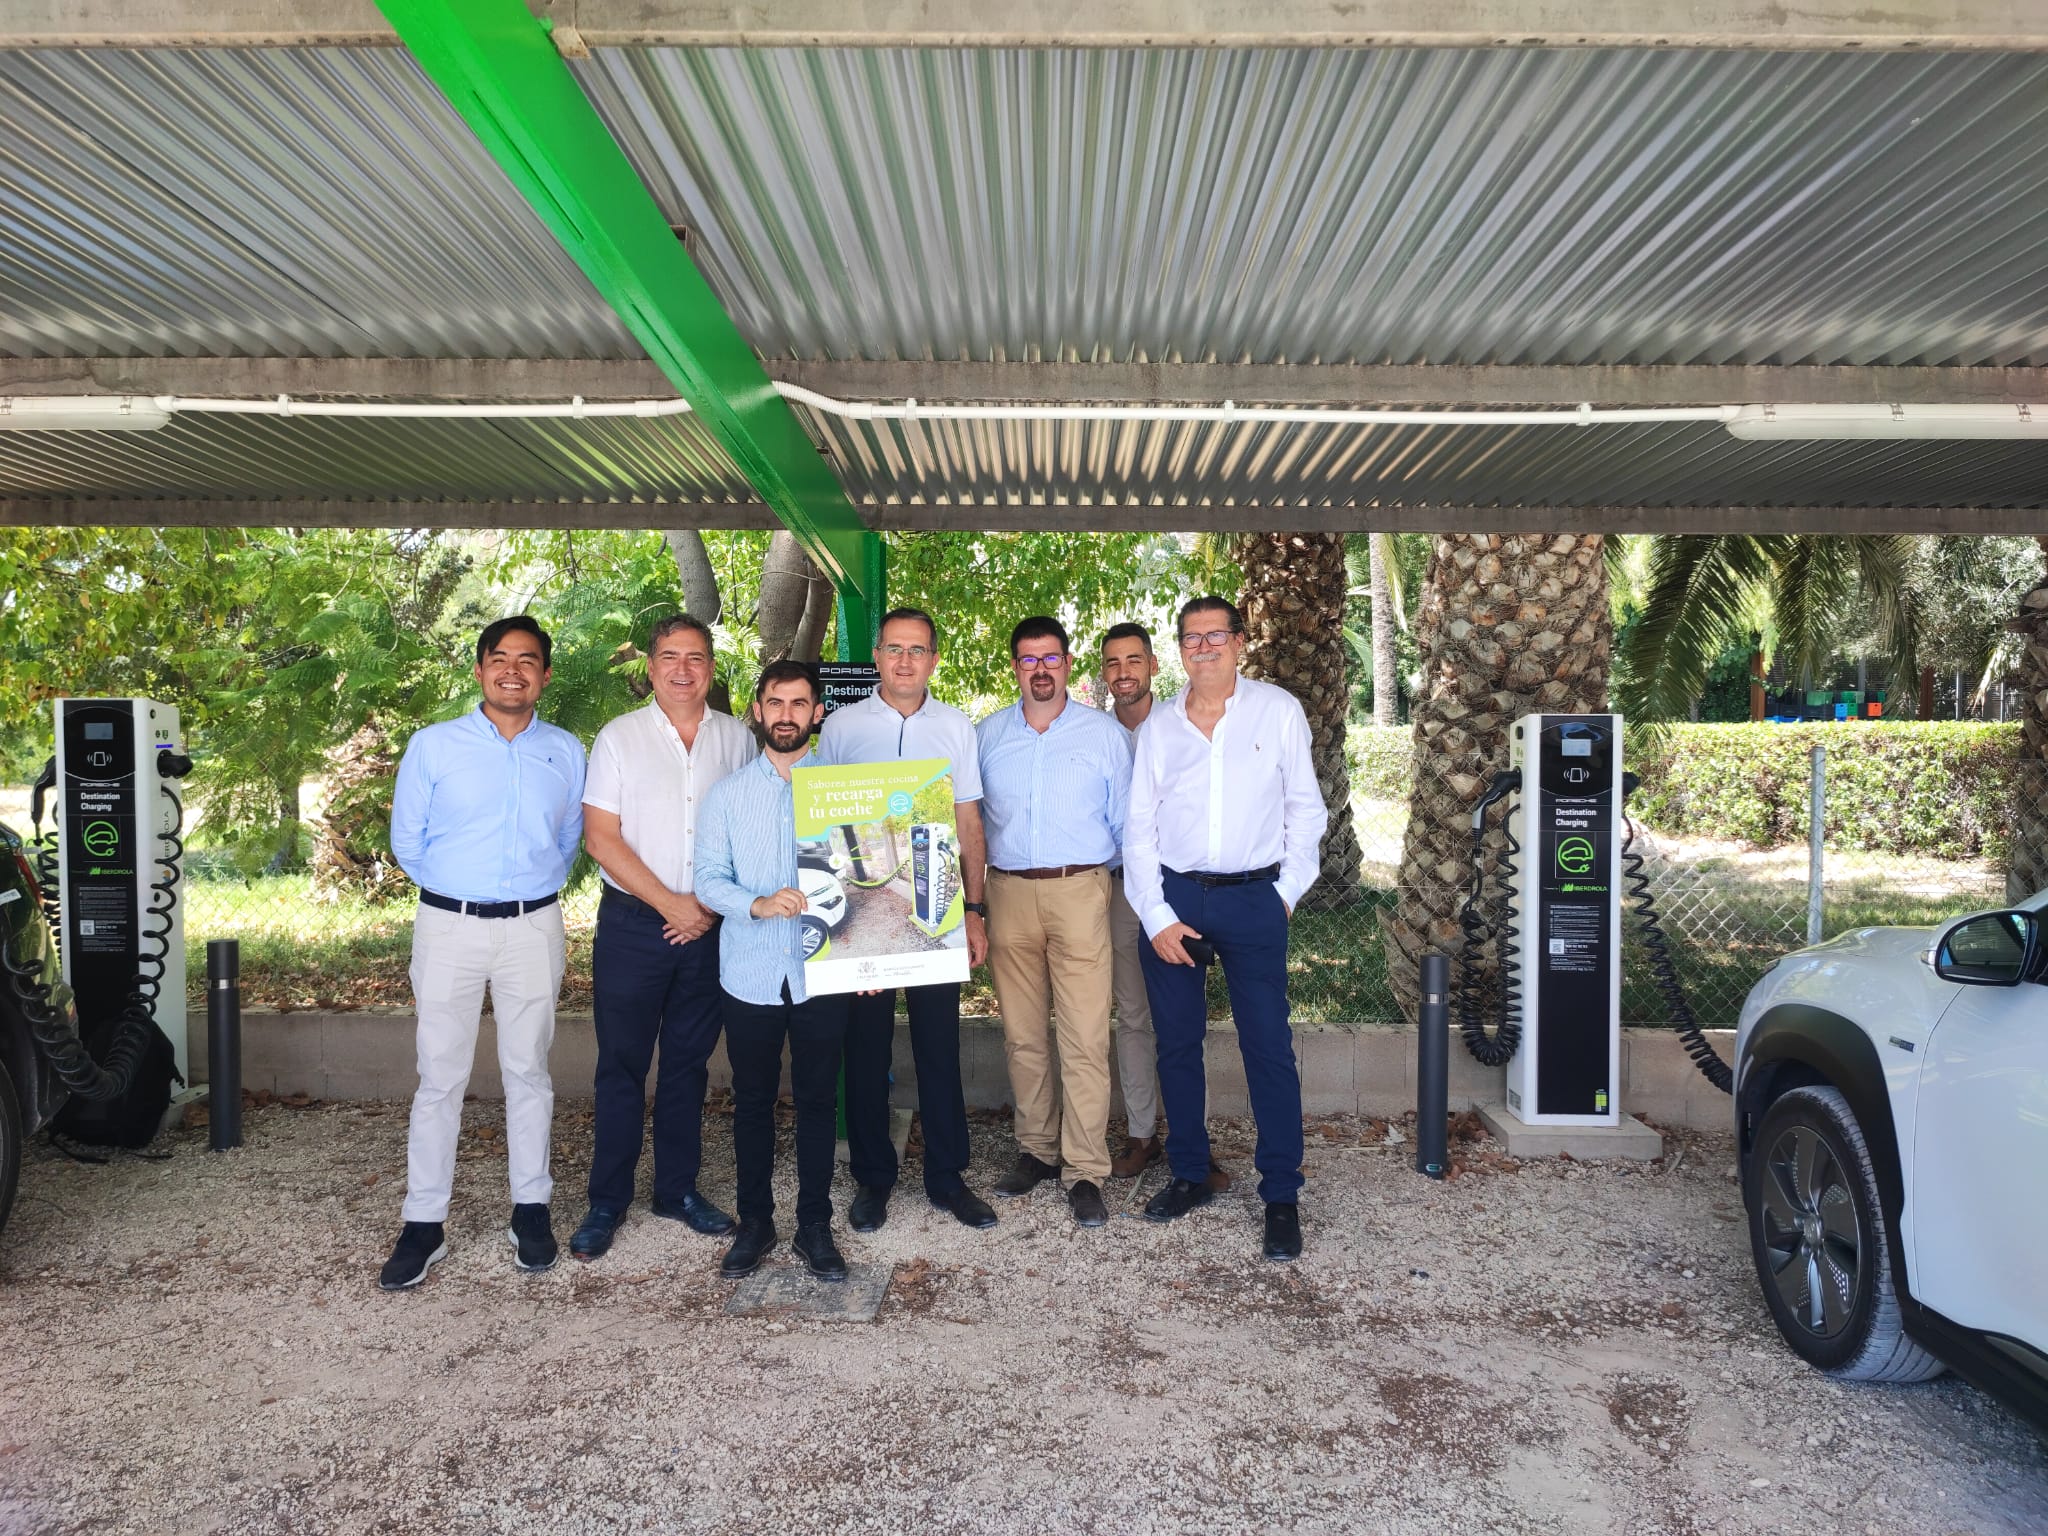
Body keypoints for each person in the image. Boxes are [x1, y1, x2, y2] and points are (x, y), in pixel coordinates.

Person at [379, 616, 587, 1290]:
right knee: (439, 1075)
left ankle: (531, 1209)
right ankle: (423, 1223)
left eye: (529, 661)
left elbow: (568, 841)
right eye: (500, 658)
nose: (513, 671)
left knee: (528, 1070)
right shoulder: (435, 746)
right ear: (479, 669)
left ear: (545, 675)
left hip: (533, 927)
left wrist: (523, 894)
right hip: (449, 927)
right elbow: (408, 843)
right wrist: (460, 892)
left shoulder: (565, 750)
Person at [1122, 596, 1328, 1263]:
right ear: (1178, 650)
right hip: (1177, 898)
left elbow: (1307, 810)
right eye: (1190, 638)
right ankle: (1189, 1172)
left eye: (1215, 636)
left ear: (1240, 642)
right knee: (1177, 1045)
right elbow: (1139, 828)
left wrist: (1285, 896)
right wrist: (1155, 915)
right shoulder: (1159, 728)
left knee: (1267, 1045)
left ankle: (1281, 1192)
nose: (1202, 648)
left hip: (1254, 899)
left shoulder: (1277, 711)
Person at [569, 614, 757, 1261]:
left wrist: (702, 906)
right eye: (670, 657)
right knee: (621, 1066)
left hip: (708, 927)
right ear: (651, 668)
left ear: (710, 668)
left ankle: (676, 1190)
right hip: (632, 926)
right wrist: (671, 902)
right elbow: (601, 838)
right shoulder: (619, 739)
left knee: (687, 1064)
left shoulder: (737, 740)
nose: (683, 669)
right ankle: (606, 1201)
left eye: (697, 657)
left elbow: (749, 832)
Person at [816, 607, 997, 1233]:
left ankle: (947, 1176)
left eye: (917, 649)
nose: (904, 660)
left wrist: (974, 910)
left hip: (936, 911)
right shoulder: (840, 728)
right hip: (864, 912)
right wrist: (836, 935)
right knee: (864, 1050)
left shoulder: (956, 727)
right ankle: (873, 1178)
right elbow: (821, 823)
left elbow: (969, 822)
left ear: (934, 659)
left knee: (938, 1047)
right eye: (893, 648)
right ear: (877, 657)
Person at [694, 661, 852, 1281]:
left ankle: (814, 1224)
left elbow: (870, 884)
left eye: (800, 703)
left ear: (818, 713)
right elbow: (708, 878)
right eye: (775, 702)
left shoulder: (847, 792)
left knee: (818, 1100)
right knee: (753, 1101)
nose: (787, 714)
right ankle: (756, 1222)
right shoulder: (727, 796)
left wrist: (874, 954)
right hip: (752, 970)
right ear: (757, 711)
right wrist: (755, 904)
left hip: (822, 972)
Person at [974, 616, 1129, 1227]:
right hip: (1007, 891)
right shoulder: (987, 736)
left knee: (1086, 1035)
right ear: (1015, 668)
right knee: (1023, 1035)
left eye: (1050, 658)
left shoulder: (1103, 735)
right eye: (1027, 660)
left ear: (1067, 663)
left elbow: (1125, 828)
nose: (1040, 669)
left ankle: (1086, 1168)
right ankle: (1037, 1149)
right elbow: (972, 823)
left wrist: (1091, 883)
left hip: (1081, 889)